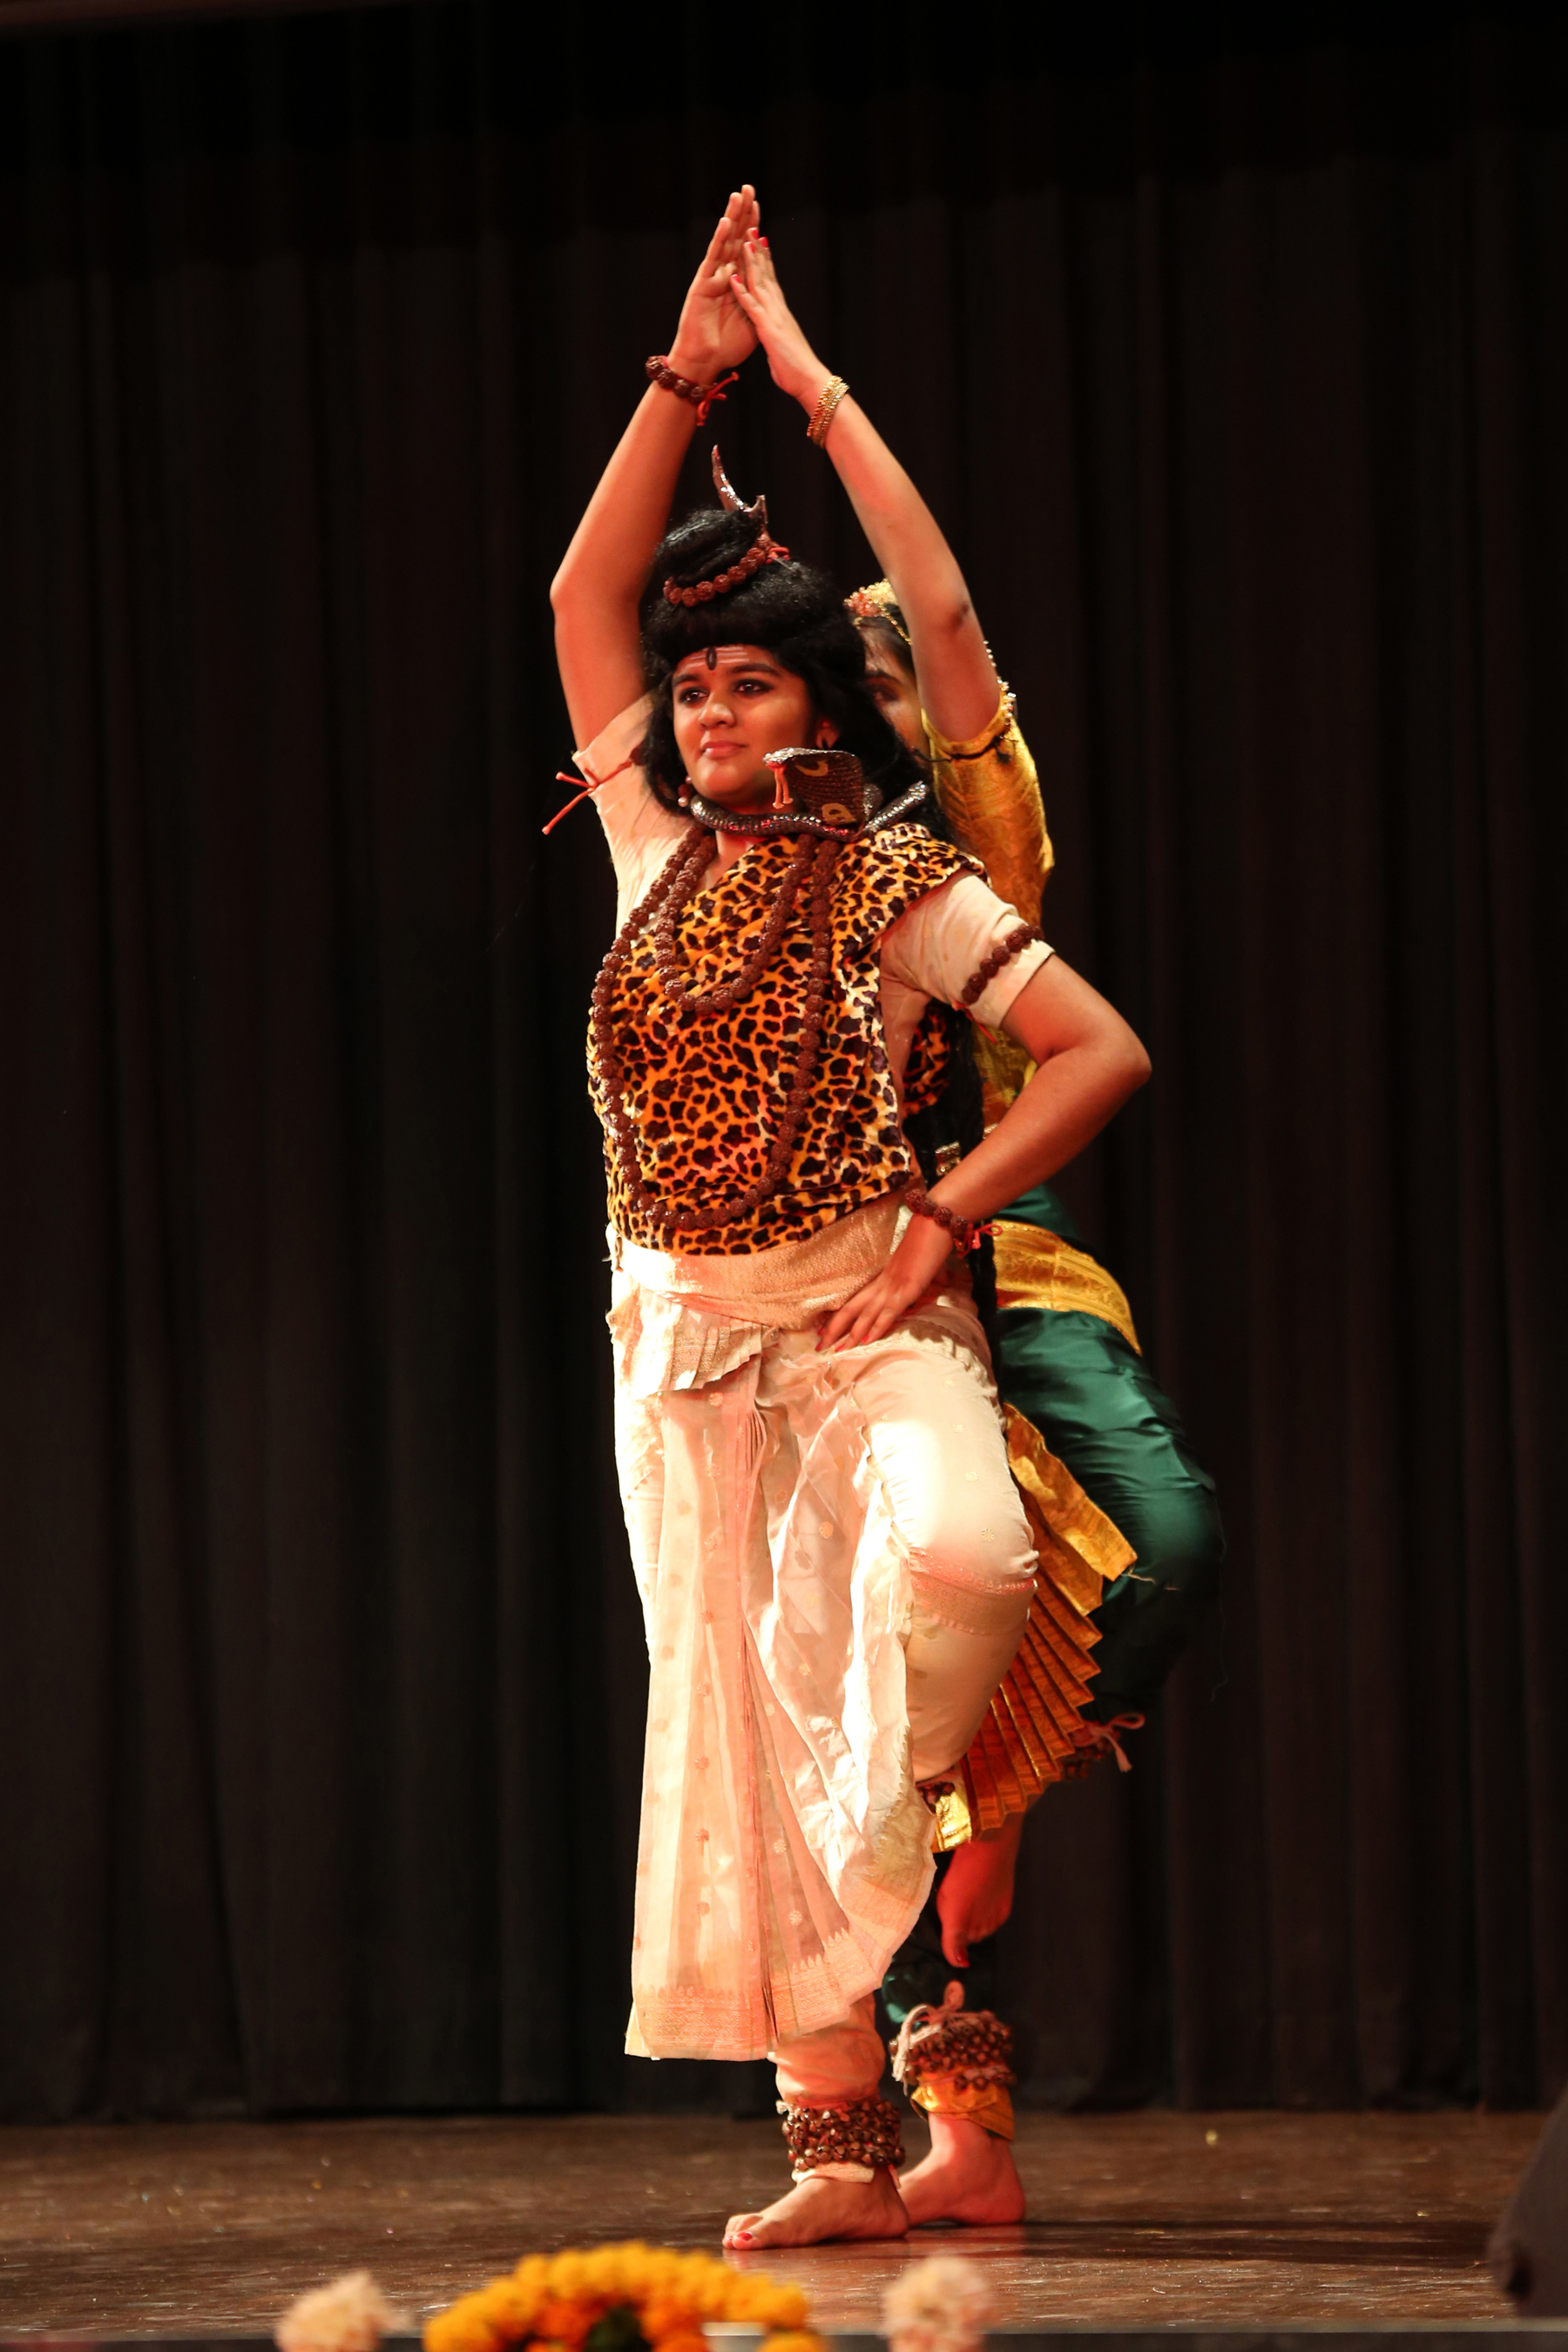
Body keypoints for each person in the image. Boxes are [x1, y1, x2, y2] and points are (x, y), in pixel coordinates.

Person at [550, 187, 1150, 2249]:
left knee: (972, 1572)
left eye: (750, 680)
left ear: (827, 701)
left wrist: (939, 1223)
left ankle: (911, 1867)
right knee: (732, 1723)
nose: (708, 710)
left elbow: (1096, 1048)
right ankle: (842, 2153)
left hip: (863, 1313)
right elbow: (583, 595)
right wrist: (683, 379)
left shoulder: (903, 869)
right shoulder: (649, 851)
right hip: (675, 1344)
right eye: (690, 687)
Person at [729, 228, 1225, 2226]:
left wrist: (807, 382)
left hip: (1011, 1271)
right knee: (841, 1705)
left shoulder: (962, 860)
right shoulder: (751, 881)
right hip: (828, 1311)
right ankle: (909, 2146)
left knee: (1151, 1550)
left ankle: (987, 1832)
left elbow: (932, 600)